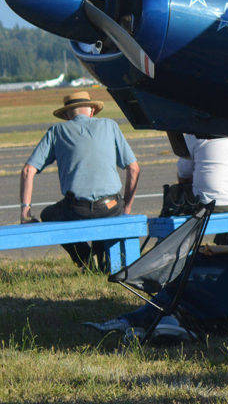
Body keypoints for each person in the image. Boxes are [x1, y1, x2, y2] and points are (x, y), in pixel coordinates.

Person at [18, 90, 140, 271]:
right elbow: (134, 169)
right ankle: (102, 258)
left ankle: (85, 259)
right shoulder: (110, 125)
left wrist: (25, 212)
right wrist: (127, 207)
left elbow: (28, 170)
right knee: (108, 212)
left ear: (67, 115)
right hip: (111, 206)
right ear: (92, 110)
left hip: (77, 208)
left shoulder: (57, 131)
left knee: (49, 215)